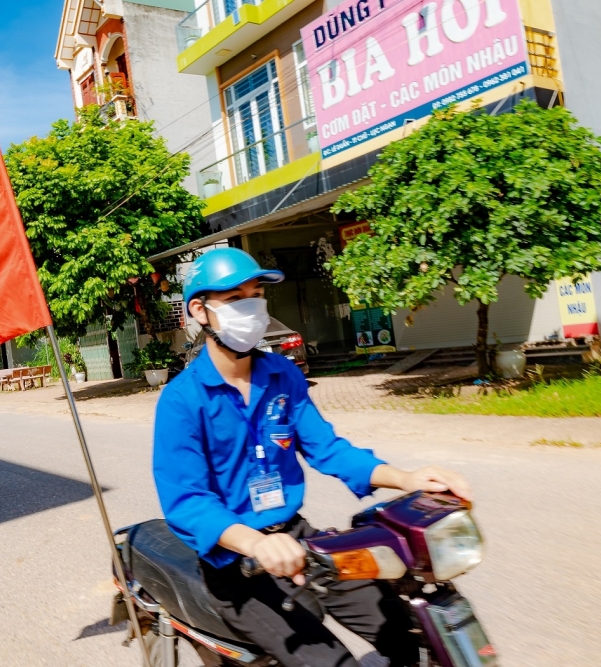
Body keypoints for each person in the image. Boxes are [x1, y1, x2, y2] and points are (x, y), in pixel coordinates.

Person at [153, 248, 473, 667]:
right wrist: (255, 543)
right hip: (237, 565)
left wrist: (408, 479)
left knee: (404, 630)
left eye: (256, 296)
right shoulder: (182, 400)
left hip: (302, 540)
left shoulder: (282, 375)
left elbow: (329, 449)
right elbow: (187, 503)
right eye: (235, 301)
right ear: (200, 310)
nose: (251, 310)